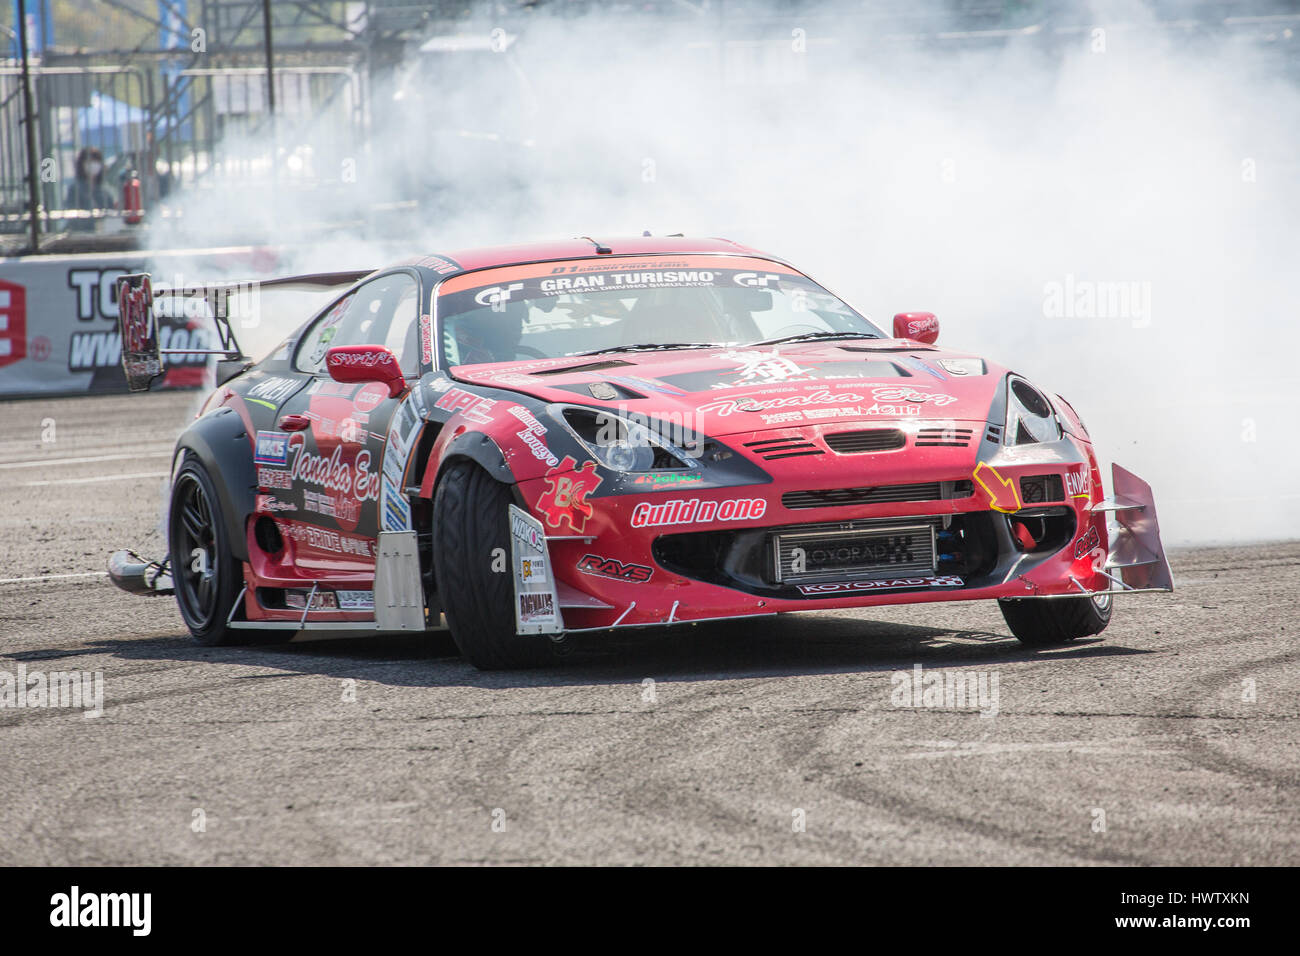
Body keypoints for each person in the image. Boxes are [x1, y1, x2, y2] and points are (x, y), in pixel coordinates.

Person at [64, 147, 116, 231]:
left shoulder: (105, 192)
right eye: (89, 162)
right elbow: (72, 216)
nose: (93, 165)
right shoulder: (75, 190)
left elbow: (111, 215)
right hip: (79, 237)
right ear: (82, 165)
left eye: (96, 162)